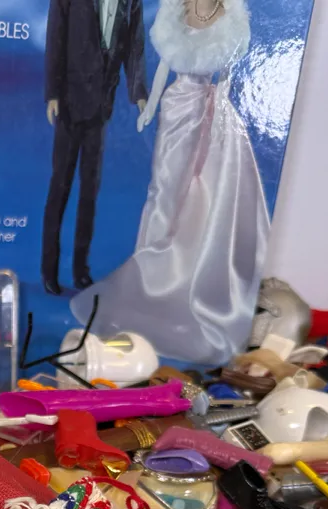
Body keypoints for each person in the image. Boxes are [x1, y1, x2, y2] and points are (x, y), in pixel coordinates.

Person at [71, 0, 269, 367]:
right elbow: (165, 65)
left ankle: (190, 264)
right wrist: (149, 108)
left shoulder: (231, 19)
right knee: (164, 187)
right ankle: (151, 261)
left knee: (202, 188)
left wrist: (219, 115)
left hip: (209, 110)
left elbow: (226, 77)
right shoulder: (175, 11)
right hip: (176, 104)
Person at [41, 0, 148, 294]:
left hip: (101, 106)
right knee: (60, 187)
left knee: (90, 190)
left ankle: (81, 269)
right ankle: (49, 269)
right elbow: (56, 36)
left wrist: (139, 93)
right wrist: (53, 93)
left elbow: (134, 45)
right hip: (69, 103)